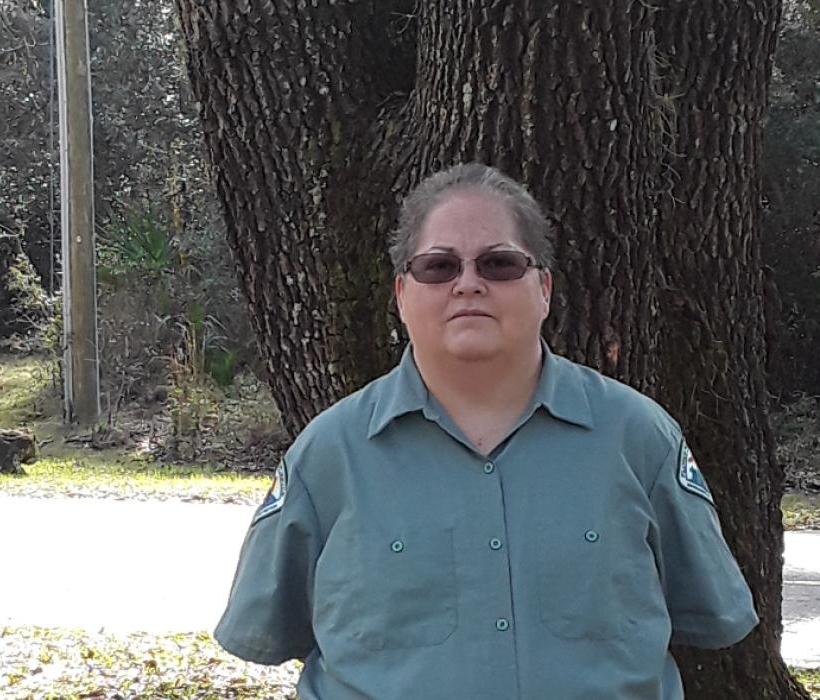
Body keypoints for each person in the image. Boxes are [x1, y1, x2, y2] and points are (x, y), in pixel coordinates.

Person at [214, 163, 759, 699]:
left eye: (498, 264)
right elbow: (270, 629)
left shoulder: (638, 440)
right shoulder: (329, 456)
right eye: (438, 267)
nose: (468, 284)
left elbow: (708, 619)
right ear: (402, 293)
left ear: (543, 287)